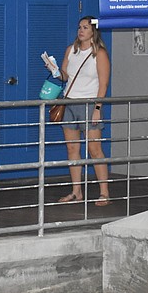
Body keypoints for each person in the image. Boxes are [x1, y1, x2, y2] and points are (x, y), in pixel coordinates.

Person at [50, 16, 111, 206]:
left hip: (89, 103)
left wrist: (97, 108)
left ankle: (104, 192)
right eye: (79, 27)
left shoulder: (99, 54)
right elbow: (65, 76)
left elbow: (104, 83)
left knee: (94, 149)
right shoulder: (71, 50)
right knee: (72, 148)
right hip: (69, 102)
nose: (81, 30)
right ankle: (76, 191)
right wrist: (54, 70)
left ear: (93, 31)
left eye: (85, 27)